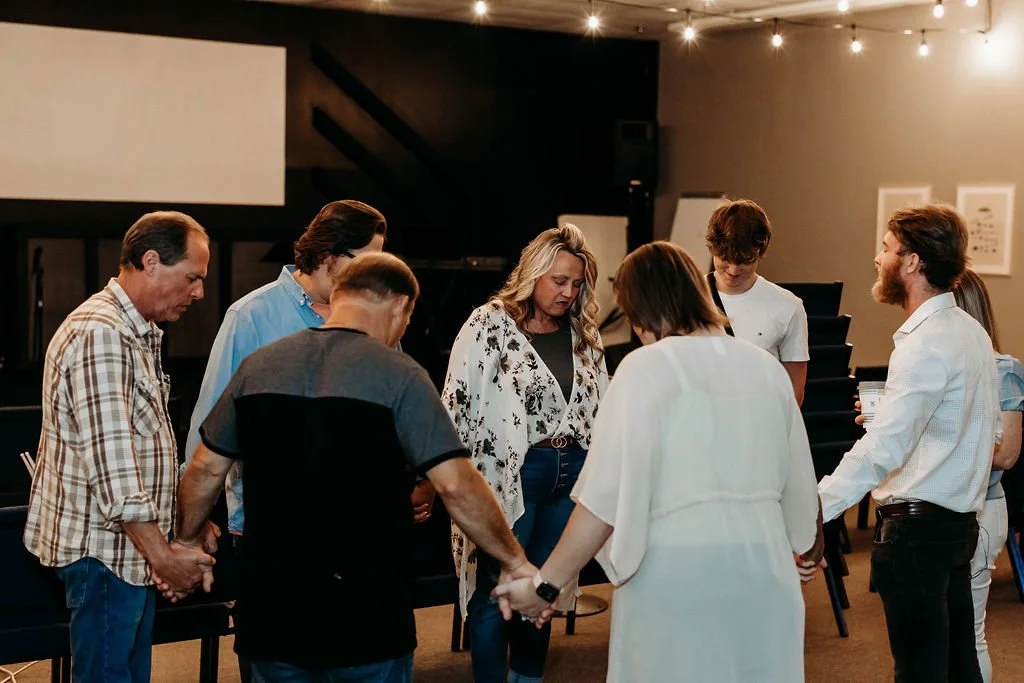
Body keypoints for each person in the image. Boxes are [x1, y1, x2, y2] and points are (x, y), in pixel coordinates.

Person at [176, 253, 535, 683]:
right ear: (400, 306)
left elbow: (204, 470)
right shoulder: (400, 376)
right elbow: (457, 485)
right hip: (368, 617)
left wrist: (184, 541)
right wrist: (515, 561)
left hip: (271, 615)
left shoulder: (260, 367)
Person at [493, 240, 823, 683]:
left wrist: (545, 586)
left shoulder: (643, 369)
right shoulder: (765, 368)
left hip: (678, 581)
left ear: (641, 313)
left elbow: (601, 501)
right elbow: (802, 484)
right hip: (765, 579)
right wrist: (808, 547)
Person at [182, 200, 415, 682]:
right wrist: (196, 520)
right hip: (271, 531)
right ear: (329, 255)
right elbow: (208, 430)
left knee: (362, 659)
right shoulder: (251, 317)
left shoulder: (376, 316)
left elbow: (399, 408)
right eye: (365, 259)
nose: (375, 271)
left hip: (361, 530)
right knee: (278, 662)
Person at [23, 211, 217, 683]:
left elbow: (148, 448)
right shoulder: (102, 334)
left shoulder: (136, 330)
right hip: (105, 554)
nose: (199, 293)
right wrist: (165, 558)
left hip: (126, 551)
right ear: (151, 261)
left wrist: (184, 523)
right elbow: (116, 473)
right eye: (192, 277)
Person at [818, 204, 1001, 683]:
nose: (878, 259)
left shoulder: (923, 344)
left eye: (886, 249)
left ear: (914, 262)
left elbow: (883, 450)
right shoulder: (973, 335)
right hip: (959, 528)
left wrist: (817, 505)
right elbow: (978, 431)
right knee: (960, 668)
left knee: (919, 672)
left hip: (916, 538)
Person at [441, 224, 608, 683]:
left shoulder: (583, 333)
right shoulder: (489, 324)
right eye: (559, 281)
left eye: (576, 284)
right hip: (511, 473)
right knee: (499, 590)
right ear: (533, 273)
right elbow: (456, 402)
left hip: (571, 473)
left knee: (544, 587)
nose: (568, 292)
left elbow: (604, 406)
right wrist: (442, 480)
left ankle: (528, 677)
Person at [952, 269, 1024, 683]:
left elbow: (1008, 454)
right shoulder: (929, 367)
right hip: (934, 510)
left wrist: (940, 448)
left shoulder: (1003, 369)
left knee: (970, 632)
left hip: (983, 508)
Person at [705, 199, 809, 404]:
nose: (734, 270)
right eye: (725, 258)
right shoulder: (688, 299)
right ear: (712, 248)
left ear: (760, 253)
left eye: (745, 261)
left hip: (761, 426)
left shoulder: (788, 307)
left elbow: (794, 391)